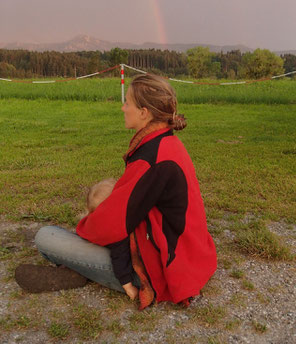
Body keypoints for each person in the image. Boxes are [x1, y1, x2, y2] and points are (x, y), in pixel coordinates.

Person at [15, 74, 217, 309]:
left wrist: (88, 224)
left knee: (46, 237)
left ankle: (81, 272)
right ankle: (79, 271)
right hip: (191, 257)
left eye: (127, 103)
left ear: (144, 112)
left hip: (161, 270)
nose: (123, 108)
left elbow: (112, 224)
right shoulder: (167, 143)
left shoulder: (151, 158)